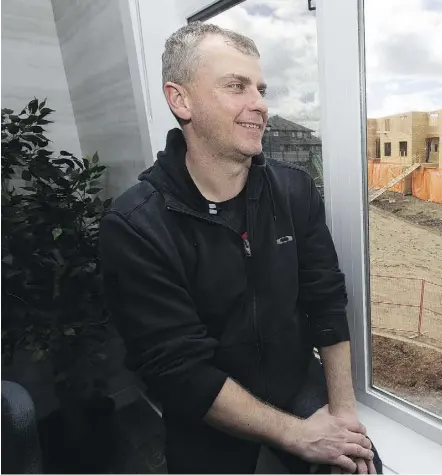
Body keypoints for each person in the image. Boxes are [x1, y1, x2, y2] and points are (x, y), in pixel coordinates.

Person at [99, 22, 382, 474]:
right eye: (237, 86)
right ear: (180, 100)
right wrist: (301, 436)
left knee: (359, 467)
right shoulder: (135, 227)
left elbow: (325, 298)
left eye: (261, 88)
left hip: (293, 382)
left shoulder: (294, 192)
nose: (261, 105)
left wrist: (343, 416)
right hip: (208, 408)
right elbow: (180, 370)